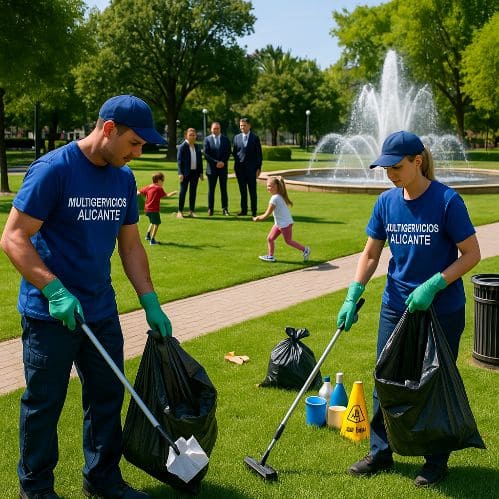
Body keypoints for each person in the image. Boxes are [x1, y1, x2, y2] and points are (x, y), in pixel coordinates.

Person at [0, 94, 173, 499]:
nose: (138, 152)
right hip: (50, 314)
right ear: (108, 129)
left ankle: (102, 479)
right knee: (45, 403)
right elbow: (13, 237)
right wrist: (54, 290)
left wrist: (150, 301)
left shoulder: (123, 179)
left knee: (107, 395)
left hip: (99, 309)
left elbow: (130, 246)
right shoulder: (53, 170)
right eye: (134, 143)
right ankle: (37, 489)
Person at [336, 130, 481, 488]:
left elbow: (472, 254)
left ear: (418, 161)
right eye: (386, 168)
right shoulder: (386, 202)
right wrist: (353, 293)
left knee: (433, 382)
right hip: (396, 306)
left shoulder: (447, 201)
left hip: (440, 308)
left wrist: (434, 284)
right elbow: (371, 253)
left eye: (397, 167)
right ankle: (380, 452)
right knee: (385, 376)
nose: (390, 174)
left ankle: (435, 462)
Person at [253, 176, 310, 263]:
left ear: (277, 186)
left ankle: (305, 250)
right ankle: (270, 256)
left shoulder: (274, 198)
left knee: (288, 241)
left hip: (285, 224)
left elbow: (266, 215)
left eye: (270, 186)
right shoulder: (279, 196)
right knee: (270, 238)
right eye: (267, 186)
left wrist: (257, 218)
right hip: (280, 223)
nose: (268, 188)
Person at [232, 117, 262, 217]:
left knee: (252, 191)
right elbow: (235, 154)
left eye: (244, 125)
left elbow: (259, 154)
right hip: (240, 170)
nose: (242, 127)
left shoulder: (255, 138)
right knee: (243, 191)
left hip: (252, 170)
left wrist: (258, 168)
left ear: (249, 126)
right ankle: (244, 210)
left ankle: (254, 211)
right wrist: (235, 168)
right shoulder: (236, 138)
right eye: (241, 125)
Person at [137, 172, 176, 245]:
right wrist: (173, 193)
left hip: (147, 209)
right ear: (159, 180)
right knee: (157, 223)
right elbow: (165, 196)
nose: (163, 182)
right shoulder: (159, 188)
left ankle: (148, 235)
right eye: (162, 181)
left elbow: (139, 192)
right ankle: (152, 240)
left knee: (152, 221)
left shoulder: (149, 186)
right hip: (154, 210)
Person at [203, 122, 231, 216]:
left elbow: (228, 152)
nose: (216, 130)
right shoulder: (207, 139)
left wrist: (222, 162)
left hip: (223, 168)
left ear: (220, 129)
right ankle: (210, 209)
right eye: (214, 128)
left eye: (217, 128)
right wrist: (216, 162)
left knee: (224, 189)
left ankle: (225, 209)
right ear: (211, 129)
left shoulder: (225, 139)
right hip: (211, 169)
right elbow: (206, 154)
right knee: (211, 190)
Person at [176, 127, 203, 218]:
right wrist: (180, 173)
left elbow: (199, 161)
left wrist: (201, 173)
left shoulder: (197, 146)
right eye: (190, 135)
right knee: (183, 192)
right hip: (185, 174)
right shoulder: (182, 147)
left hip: (195, 173)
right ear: (186, 136)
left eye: (194, 135)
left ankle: (191, 211)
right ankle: (180, 211)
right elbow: (179, 161)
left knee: (193, 192)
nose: (192, 136)